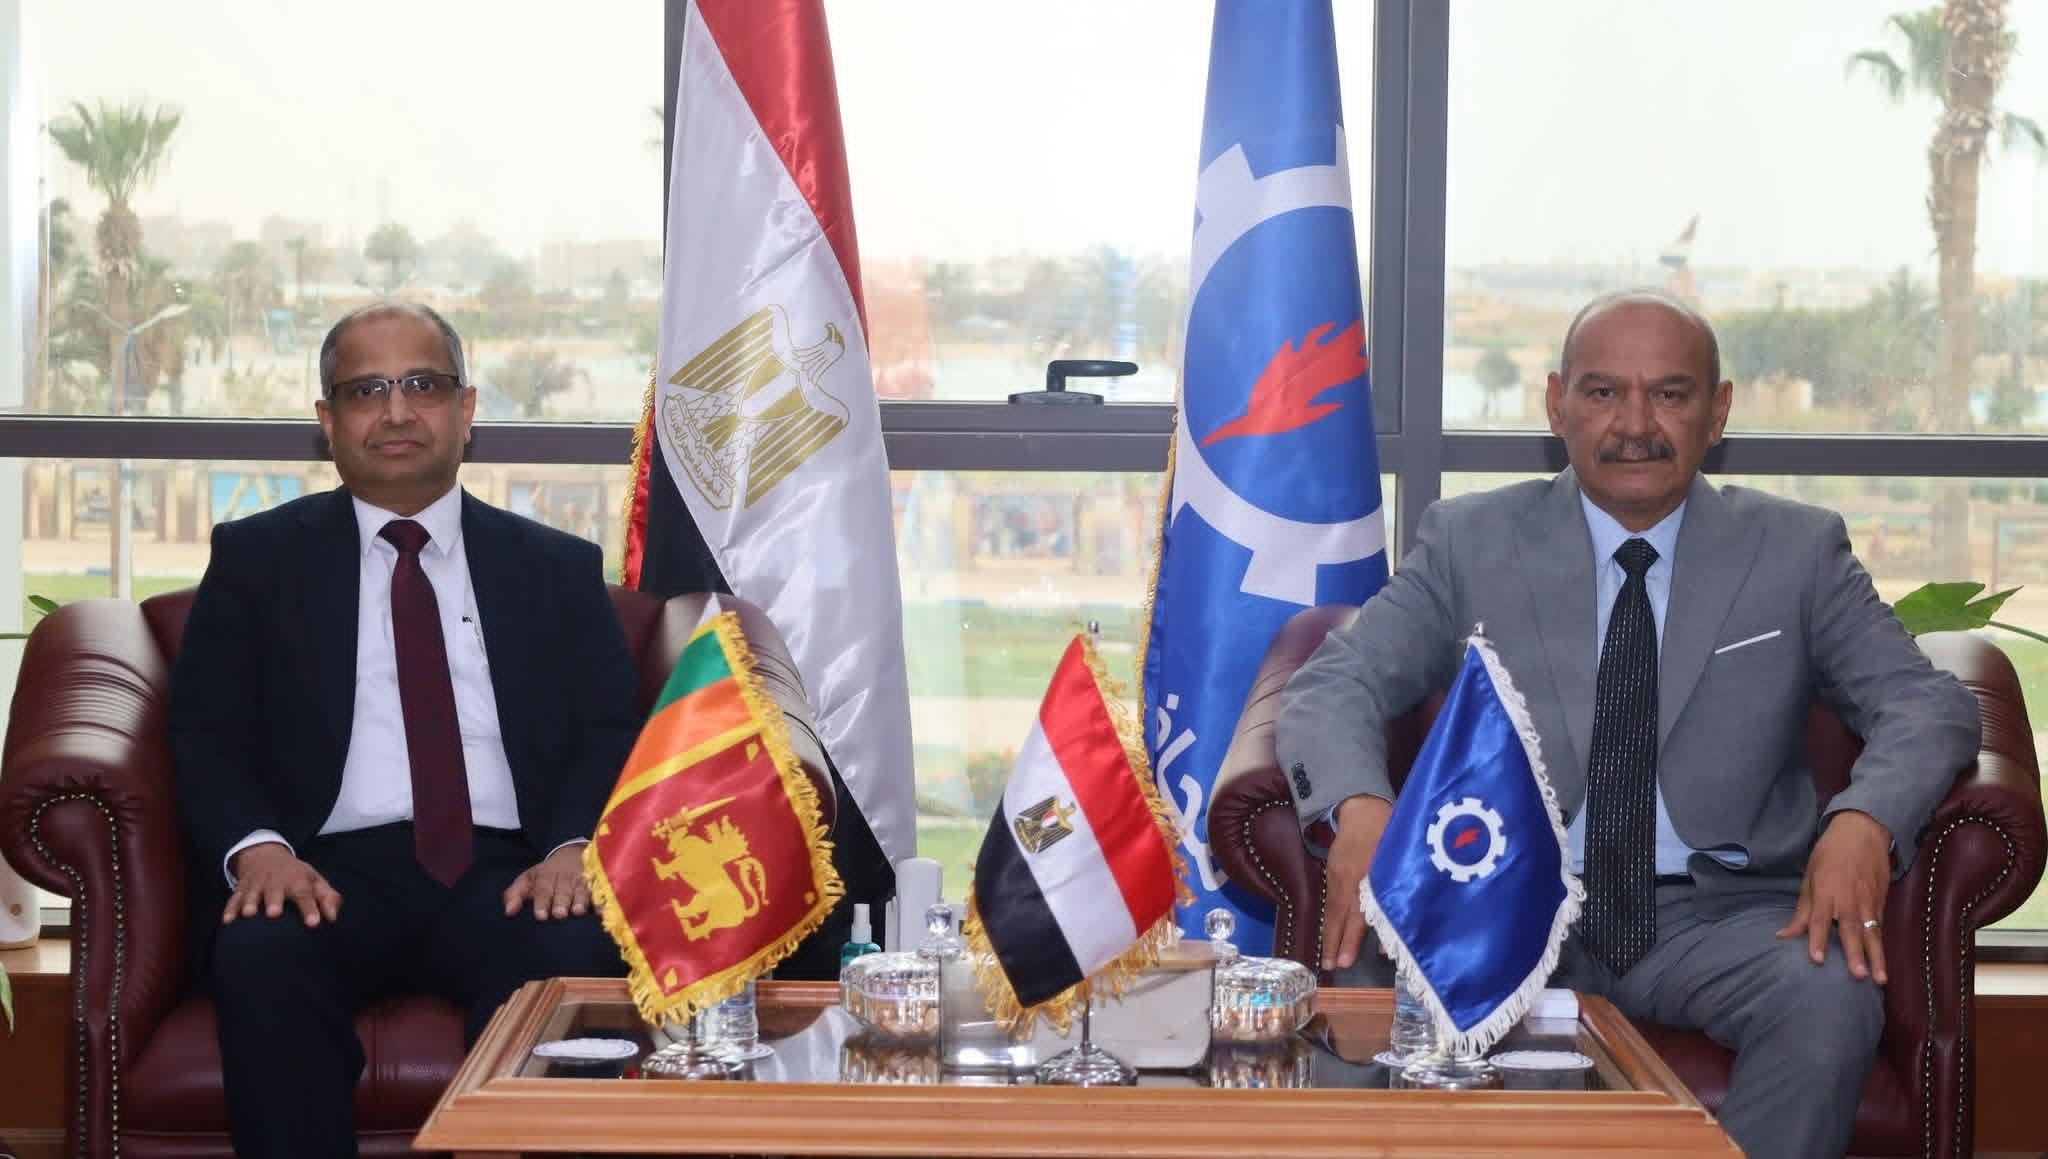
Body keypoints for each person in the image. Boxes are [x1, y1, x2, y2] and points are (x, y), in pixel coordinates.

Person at [1276, 289, 1979, 1159]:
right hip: (1502, 897)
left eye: (1670, 394)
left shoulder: (1796, 552)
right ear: (1556, 404)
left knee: (1827, 994)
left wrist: (1864, 818)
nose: (1636, 424)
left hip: (1719, 917)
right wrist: (1358, 807)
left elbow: (1926, 702)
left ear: (1717, 412)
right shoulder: (1472, 541)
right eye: (1604, 391)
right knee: (1370, 965)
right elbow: (1333, 683)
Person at [168, 301, 640, 1158]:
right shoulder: (256, 560)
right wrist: (260, 850)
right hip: (324, 870)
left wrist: (575, 846)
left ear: (466, 408)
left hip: (513, 869)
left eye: (423, 385)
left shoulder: (555, 567)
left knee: (578, 941)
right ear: (328, 420)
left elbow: (610, 726)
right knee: (261, 949)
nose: (395, 411)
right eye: (366, 390)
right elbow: (207, 729)